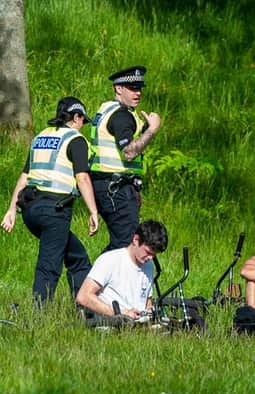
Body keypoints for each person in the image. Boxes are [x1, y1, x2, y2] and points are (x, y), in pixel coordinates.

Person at [1, 97, 99, 305]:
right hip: (54, 211)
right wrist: (93, 212)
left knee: (77, 256)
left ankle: (87, 306)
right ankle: (39, 315)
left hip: (30, 210)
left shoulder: (40, 137)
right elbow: (82, 177)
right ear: (75, 117)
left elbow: (24, 176)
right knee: (50, 264)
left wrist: (11, 210)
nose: (82, 125)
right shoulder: (76, 140)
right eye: (82, 119)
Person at [89, 66, 161, 252]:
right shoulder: (122, 115)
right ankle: (92, 281)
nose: (138, 93)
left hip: (107, 185)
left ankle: (94, 280)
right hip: (115, 188)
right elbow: (129, 152)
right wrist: (152, 130)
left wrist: (143, 130)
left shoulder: (107, 109)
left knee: (121, 243)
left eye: (139, 88)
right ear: (118, 88)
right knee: (125, 245)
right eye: (132, 88)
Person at [76, 220, 168, 320]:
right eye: (148, 252)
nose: (150, 258)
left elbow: (147, 301)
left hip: (139, 327)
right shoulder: (110, 260)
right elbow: (83, 297)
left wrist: (149, 313)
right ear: (136, 240)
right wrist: (119, 314)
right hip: (111, 325)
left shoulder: (149, 265)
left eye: (154, 255)